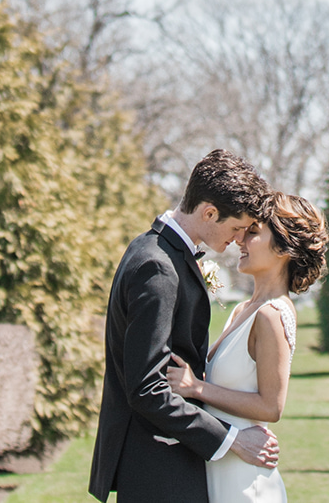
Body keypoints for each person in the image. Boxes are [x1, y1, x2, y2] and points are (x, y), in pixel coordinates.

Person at [89, 149, 280, 503]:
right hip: (158, 465)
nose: (240, 239)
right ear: (209, 212)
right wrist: (232, 439)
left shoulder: (155, 250)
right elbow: (147, 389)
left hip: (164, 461)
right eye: (236, 227)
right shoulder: (158, 267)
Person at [167, 192, 329, 503]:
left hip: (245, 482)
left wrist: (197, 388)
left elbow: (271, 406)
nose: (240, 239)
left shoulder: (272, 315)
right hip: (221, 470)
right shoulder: (243, 309)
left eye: (253, 232)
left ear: (283, 247)